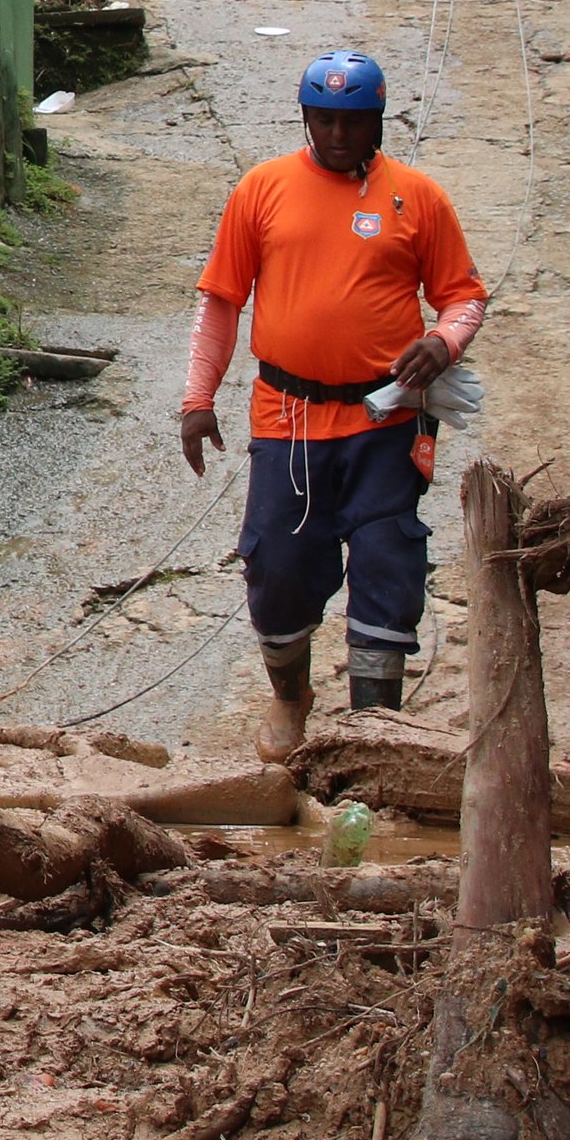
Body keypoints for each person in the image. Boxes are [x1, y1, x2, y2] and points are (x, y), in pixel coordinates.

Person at [180, 51, 487, 757]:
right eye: (325, 120)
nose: (338, 135)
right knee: (278, 570)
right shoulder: (262, 189)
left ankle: (369, 735)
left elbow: (464, 295)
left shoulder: (419, 197)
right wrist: (198, 398)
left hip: (387, 422)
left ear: (377, 121)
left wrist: (444, 342)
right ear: (306, 119)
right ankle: (292, 699)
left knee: (387, 565)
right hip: (288, 421)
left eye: (353, 122)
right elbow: (221, 300)